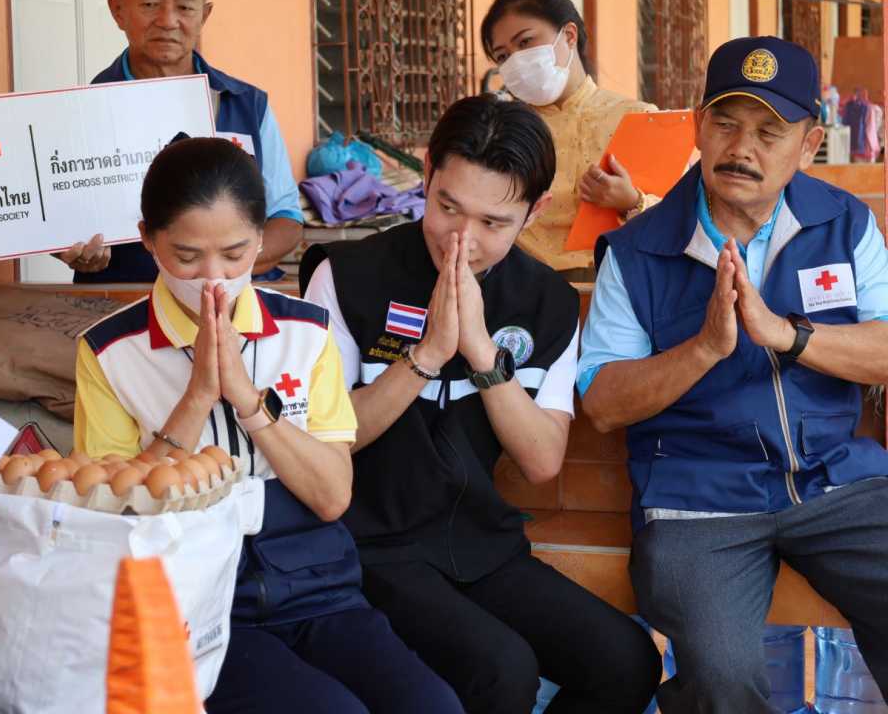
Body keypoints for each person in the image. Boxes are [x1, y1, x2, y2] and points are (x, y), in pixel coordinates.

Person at [73, 136, 462, 713]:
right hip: (189, 605)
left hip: (319, 590)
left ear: (260, 240)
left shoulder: (306, 332)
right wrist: (197, 397)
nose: (213, 278)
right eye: (187, 256)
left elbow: (332, 496)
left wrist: (250, 402)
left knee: (433, 706)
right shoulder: (110, 352)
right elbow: (111, 517)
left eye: (234, 254)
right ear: (148, 239)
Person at [300, 95, 662, 713]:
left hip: (478, 542)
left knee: (627, 662)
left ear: (534, 212)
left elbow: (542, 460)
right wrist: (425, 357)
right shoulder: (346, 275)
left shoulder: (545, 300)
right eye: (447, 207)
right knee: (502, 672)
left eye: (493, 223)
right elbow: (321, 440)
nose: (462, 240)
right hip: (367, 544)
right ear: (426, 174)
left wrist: (482, 353)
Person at [578, 36, 888, 713]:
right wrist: (704, 350)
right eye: (725, 123)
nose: (741, 148)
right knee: (722, 674)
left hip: (836, 482)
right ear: (697, 126)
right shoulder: (637, 251)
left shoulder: (844, 224)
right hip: (698, 500)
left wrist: (788, 336)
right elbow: (601, 401)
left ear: (809, 145)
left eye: (769, 133)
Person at [58, 0, 303, 283]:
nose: (168, 21)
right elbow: (56, 222)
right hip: (125, 300)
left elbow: (287, 219)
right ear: (118, 10)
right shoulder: (79, 113)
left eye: (185, 7)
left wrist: (226, 267)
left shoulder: (246, 105)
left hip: (234, 303)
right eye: (150, 5)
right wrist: (72, 248)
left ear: (204, 15)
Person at [482, 0, 658, 277]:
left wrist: (632, 202)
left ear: (569, 35)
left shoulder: (639, 119)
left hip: (615, 285)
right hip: (523, 283)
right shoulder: (503, 128)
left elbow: (683, 216)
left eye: (525, 42)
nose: (515, 61)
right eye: (502, 56)